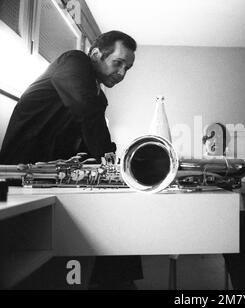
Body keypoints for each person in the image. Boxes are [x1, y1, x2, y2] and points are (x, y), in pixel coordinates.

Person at [0, 30, 143, 289]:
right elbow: (86, 112)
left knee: (113, 210)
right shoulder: (73, 61)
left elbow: (92, 136)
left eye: (128, 68)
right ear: (96, 54)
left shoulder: (98, 95)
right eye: (118, 63)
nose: (122, 74)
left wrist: (117, 171)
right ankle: (117, 283)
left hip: (45, 178)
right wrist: (112, 167)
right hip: (16, 178)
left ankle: (116, 282)